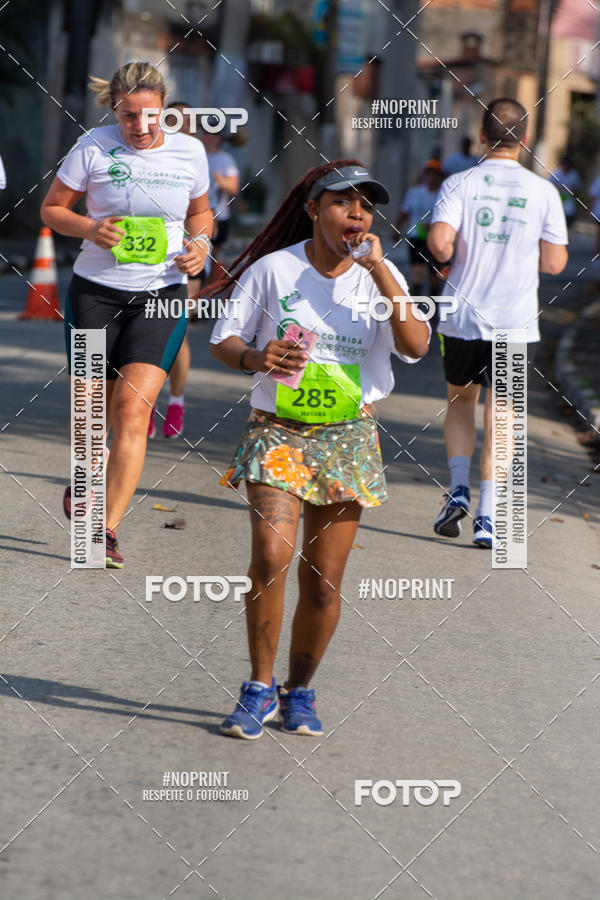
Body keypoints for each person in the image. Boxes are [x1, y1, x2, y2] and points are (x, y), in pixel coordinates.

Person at [209, 160, 430, 739]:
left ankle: (298, 691)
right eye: (341, 202)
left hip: (348, 435)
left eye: (366, 205)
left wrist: (382, 272)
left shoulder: (380, 276)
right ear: (313, 209)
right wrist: (258, 358)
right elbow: (224, 340)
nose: (356, 214)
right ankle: (258, 688)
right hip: (278, 428)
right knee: (270, 555)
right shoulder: (272, 271)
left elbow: (415, 346)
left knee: (324, 581)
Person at [41, 62, 212, 567]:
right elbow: (52, 208)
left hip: (161, 294)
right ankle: (85, 475)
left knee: (133, 413)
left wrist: (200, 243)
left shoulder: (190, 152)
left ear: (164, 109)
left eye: (149, 115)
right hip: (96, 292)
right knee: (91, 410)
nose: (140, 126)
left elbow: (201, 213)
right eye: (128, 115)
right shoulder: (92, 146)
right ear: (113, 108)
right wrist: (90, 228)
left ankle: (105, 530)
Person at [427, 97, 568, 548]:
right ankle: (488, 514)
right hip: (514, 322)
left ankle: (458, 489)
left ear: (483, 136)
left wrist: (456, 250)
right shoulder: (544, 191)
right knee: (502, 413)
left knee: (460, 403)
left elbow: (440, 245)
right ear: (524, 140)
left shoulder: (458, 183)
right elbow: (554, 263)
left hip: (463, 317)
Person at [147, 101, 206, 440]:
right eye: (170, 121)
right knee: (139, 339)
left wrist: (200, 246)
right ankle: (145, 403)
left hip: (186, 263)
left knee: (174, 334)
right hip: (140, 266)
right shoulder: (147, 156)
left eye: (183, 122)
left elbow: (206, 212)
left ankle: (177, 402)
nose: (176, 127)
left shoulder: (195, 158)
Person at [394, 159, 444, 296]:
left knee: (434, 276)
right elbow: (404, 211)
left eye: (435, 175)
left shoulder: (443, 193)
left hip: (435, 239)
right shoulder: (414, 192)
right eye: (429, 174)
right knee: (417, 275)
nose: (432, 178)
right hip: (416, 237)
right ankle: (416, 310)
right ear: (425, 176)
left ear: (440, 177)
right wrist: (396, 228)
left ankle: (433, 313)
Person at [200, 127, 239, 259]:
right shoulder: (195, 154)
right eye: (206, 133)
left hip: (220, 215)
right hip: (197, 213)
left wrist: (218, 178)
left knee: (213, 258)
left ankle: (211, 280)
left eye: (214, 134)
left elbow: (233, 188)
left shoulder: (226, 159)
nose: (209, 138)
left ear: (220, 138)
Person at [549, 156, 582, 230]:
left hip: (569, 202)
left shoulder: (574, 175)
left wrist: (572, 191)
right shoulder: (556, 173)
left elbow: (578, 188)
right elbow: (550, 186)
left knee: (568, 222)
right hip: (557, 200)